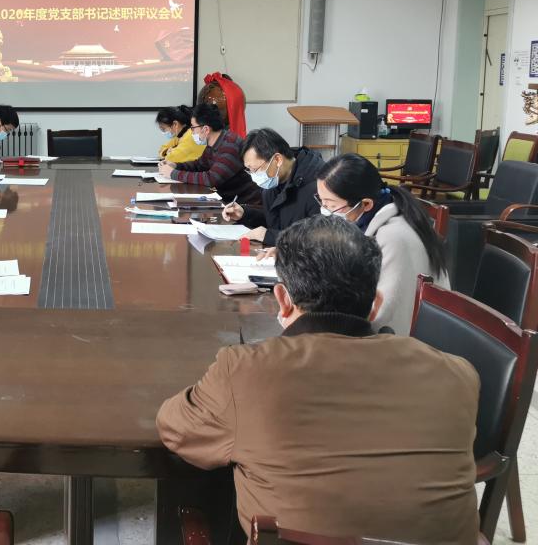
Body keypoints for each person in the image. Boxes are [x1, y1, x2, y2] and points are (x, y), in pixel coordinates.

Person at [157, 217, 479, 543]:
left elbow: (175, 428)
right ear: (376, 304)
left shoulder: (245, 370)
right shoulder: (457, 375)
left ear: (283, 299)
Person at [317, 153, 448, 335]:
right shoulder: (373, 219)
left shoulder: (393, 238)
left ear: (366, 204)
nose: (325, 210)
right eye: (321, 202)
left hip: (406, 341)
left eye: (331, 205)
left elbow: (384, 314)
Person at [222, 128, 323, 245]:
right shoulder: (273, 181)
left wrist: (268, 236)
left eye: (255, 169)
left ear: (278, 160)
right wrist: (245, 214)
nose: (254, 176)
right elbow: (276, 221)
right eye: (249, 170)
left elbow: (316, 239)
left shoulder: (317, 185)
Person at [159, 104, 259, 207]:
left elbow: (211, 179)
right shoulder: (213, 143)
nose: (191, 131)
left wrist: (173, 174)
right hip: (227, 200)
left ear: (206, 129)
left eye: (193, 128)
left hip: (245, 205)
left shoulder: (230, 145)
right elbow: (199, 165)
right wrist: (175, 165)